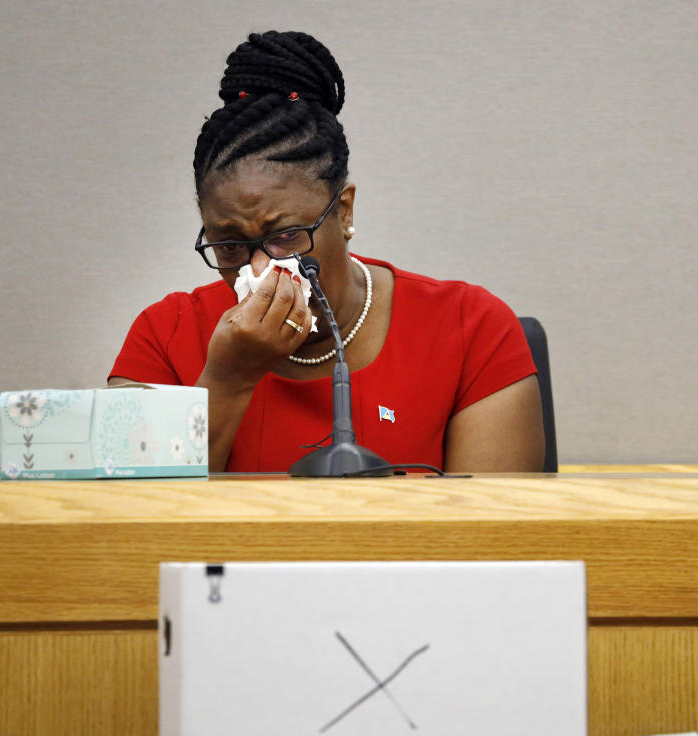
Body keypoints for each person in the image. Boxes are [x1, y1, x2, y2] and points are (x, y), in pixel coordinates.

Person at [109, 30, 544, 473]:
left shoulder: (470, 330)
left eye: (287, 236)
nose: (261, 270)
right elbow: (125, 526)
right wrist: (227, 381)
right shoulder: (164, 336)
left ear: (344, 211)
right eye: (231, 246)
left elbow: (491, 531)